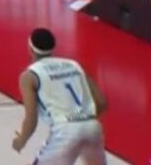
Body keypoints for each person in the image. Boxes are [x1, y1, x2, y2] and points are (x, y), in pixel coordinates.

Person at [12, 28, 107, 164]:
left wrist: (21, 140)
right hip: (91, 125)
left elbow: (31, 118)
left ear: (30, 48)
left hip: (65, 129)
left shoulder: (29, 76)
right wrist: (83, 120)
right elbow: (101, 102)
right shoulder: (74, 65)